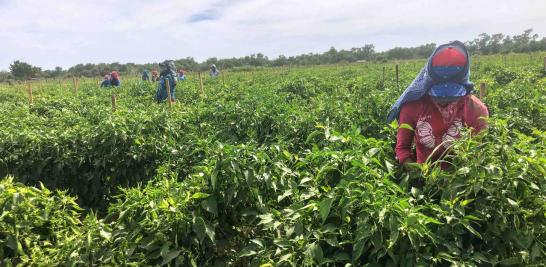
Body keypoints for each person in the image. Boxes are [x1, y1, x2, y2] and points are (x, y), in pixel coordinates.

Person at [387, 41, 488, 170]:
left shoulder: (476, 110)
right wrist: (415, 171)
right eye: (438, 97)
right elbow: (402, 149)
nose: (444, 103)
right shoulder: (412, 107)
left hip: (461, 180)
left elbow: (480, 152)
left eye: (452, 99)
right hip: (423, 176)